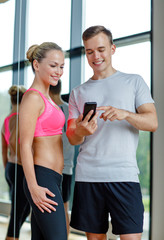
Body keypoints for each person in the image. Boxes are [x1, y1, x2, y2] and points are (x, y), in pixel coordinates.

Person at [66, 25, 158, 240]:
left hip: (124, 175)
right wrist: (81, 129)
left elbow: (152, 122)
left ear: (112, 49)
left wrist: (126, 114)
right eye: (89, 52)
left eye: (101, 49)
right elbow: (72, 137)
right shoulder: (78, 92)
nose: (95, 56)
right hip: (88, 176)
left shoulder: (134, 81)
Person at [19, 42, 67, 240]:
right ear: (37, 65)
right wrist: (33, 187)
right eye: (53, 65)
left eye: (62, 66)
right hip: (41, 179)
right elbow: (24, 144)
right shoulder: (33, 98)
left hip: (53, 178)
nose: (58, 71)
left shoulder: (48, 99)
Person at [1, 85, 31, 240]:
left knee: (22, 210)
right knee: (17, 214)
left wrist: (8, 170)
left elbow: (4, 149)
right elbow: (17, 143)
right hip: (19, 168)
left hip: (11, 168)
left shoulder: (6, 119)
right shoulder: (22, 117)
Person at [49, 80, 75, 236]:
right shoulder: (69, 110)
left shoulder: (49, 110)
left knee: (48, 208)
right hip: (67, 167)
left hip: (51, 167)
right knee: (64, 208)